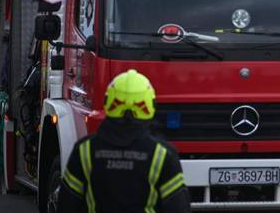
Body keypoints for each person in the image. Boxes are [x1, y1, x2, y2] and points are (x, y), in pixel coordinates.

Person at [59, 69, 190, 212]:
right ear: (150, 105)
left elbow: (67, 205)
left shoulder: (84, 150)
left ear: (108, 102)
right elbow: (178, 208)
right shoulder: (163, 155)